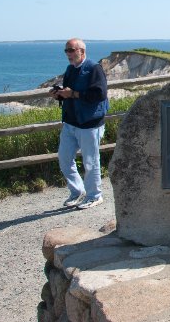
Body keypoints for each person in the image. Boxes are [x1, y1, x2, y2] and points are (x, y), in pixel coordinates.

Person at [49, 38, 109, 210]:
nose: (68, 53)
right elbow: (68, 91)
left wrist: (73, 94)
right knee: (64, 158)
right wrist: (58, 94)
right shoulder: (70, 69)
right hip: (71, 122)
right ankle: (78, 191)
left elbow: (99, 94)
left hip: (90, 123)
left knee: (90, 162)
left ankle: (94, 195)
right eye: (66, 50)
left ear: (82, 51)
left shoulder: (94, 68)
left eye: (71, 50)